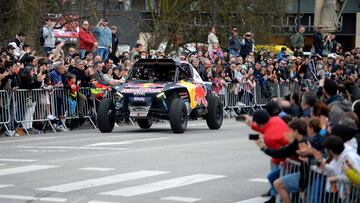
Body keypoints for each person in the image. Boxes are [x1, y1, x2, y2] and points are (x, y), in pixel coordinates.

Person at [242, 109, 289, 202]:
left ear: (258, 122)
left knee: (275, 178)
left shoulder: (269, 137)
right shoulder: (276, 119)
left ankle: (279, 197)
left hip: (287, 160)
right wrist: (251, 124)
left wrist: (262, 146)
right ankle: (275, 196)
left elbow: (277, 154)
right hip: (288, 157)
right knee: (272, 176)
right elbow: (265, 127)